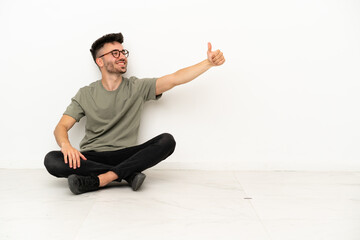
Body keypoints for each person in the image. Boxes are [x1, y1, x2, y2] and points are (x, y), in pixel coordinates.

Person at [44, 32, 225, 195]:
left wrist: (208, 63)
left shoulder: (137, 87)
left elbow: (175, 79)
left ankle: (101, 179)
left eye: (123, 53)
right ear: (100, 61)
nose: (122, 57)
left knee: (167, 141)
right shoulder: (85, 93)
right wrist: (66, 145)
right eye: (115, 53)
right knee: (52, 160)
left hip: (127, 154)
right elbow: (61, 126)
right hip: (92, 155)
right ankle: (127, 174)